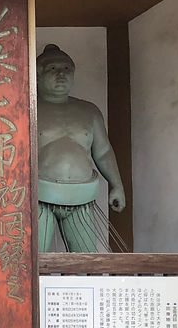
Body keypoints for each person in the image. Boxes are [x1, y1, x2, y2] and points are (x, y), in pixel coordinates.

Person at [37, 44, 126, 253]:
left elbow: (103, 151)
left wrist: (117, 185)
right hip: (40, 196)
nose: (61, 74)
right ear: (38, 76)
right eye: (52, 69)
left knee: (87, 263)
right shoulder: (27, 109)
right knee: (34, 263)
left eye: (66, 69)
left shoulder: (89, 111)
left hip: (82, 197)